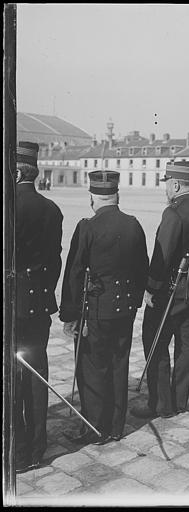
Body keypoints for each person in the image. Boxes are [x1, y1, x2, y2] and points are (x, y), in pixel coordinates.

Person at [60, 170, 148, 445]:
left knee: (92, 368)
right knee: (118, 365)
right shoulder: (133, 224)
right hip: (124, 311)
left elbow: (74, 272)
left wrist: (70, 315)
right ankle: (115, 427)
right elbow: (142, 268)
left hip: (95, 312)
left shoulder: (87, 226)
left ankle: (95, 428)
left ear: (92, 198)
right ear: (116, 195)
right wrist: (133, 302)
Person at [131, 161, 189, 418]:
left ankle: (160, 404)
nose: (166, 188)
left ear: (175, 184)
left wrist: (150, 289)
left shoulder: (173, 214)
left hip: (169, 293)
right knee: (186, 344)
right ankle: (179, 401)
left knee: (155, 342)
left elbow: (162, 257)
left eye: (167, 183)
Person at [15, 141, 63, 473]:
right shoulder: (52, 209)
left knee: (12, 378)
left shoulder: (8, 206)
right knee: (36, 374)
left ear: (15, 171)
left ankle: (17, 449)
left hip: (12, 307)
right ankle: (36, 447)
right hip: (38, 304)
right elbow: (55, 261)